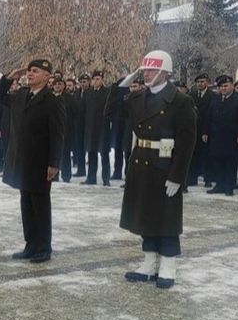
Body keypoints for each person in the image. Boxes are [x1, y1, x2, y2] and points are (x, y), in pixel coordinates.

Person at [120, 50, 197, 289]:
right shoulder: (136, 98)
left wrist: (178, 176)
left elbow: (187, 142)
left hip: (164, 165)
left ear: (165, 72)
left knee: (166, 218)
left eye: (152, 70)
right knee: (145, 215)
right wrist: (125, 82)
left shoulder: (180, 101)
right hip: (141, 162)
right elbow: (110, 111)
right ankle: (149, 261)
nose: (146, 74)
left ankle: (168, 265)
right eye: (144, 70)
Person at [0, 60, 66, 262]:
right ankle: (30, 244)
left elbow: (58, 134)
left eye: (35, 71)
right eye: (29, 71)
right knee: (26, 203)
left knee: (41, 205)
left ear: (47, 76)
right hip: (21, 159)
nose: (30, 74)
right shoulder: (21, 95)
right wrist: (10, 77)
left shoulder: (52, 101)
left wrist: (54, 163)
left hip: (41, 161)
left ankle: (44, 247)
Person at [204, 75, 238, 197]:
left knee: (230, 163)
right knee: (217, 161)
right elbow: (209, 117)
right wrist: (205, 132)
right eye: (221, 86)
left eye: (226, 86)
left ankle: (229, 186)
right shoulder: (216, 99)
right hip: (216, 136)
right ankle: (219, 185)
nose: (223, 88)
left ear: (232, 86)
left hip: (232, 137)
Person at [82, 71, 111, 186]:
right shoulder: (87, 93)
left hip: (103, 128)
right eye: (94, 79)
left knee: (104, 154)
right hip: (90, 127)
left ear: (102, 80)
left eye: (98, 79)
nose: (95, 81)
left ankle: (106, 178)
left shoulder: (107, 92)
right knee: (91, 153)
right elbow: (84, 111)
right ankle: (91, 178)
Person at [187, 74, 214, 187]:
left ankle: (208, 179)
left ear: (207, 83)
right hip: (194, 128)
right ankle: (192, 178)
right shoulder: (191, 95)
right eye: (198, 82)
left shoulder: (212, 96)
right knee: (193, 155)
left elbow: (211, 114)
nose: (200, 84)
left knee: (205, 156)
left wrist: (206, 131)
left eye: (202, 81)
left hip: (206, 129)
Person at [51, 76, 76, 182]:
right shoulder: (49, 97)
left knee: (65, 153)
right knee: (53, 154)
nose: (57, 86)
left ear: (64, 86)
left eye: (60, 84)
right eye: (56, 84)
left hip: (65, 130)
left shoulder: (69, 98)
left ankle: (66, 175)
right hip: (51, 130)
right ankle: (53, 176)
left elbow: (75, 114)